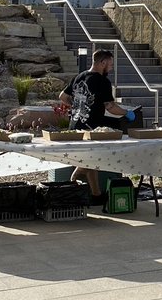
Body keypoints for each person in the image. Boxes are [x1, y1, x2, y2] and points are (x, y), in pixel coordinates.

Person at [59, 49, 137, 201]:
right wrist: (126, 113)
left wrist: (77, 106)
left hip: (74, 126)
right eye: (110, 64)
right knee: (91, 159)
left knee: (91, 159)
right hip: (90, 129)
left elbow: (63, 96)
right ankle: (72, 181)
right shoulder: (102, 81)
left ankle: (96, 194)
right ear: (102, 63)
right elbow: (110, 107)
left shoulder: (79, 76)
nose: (112, 67)